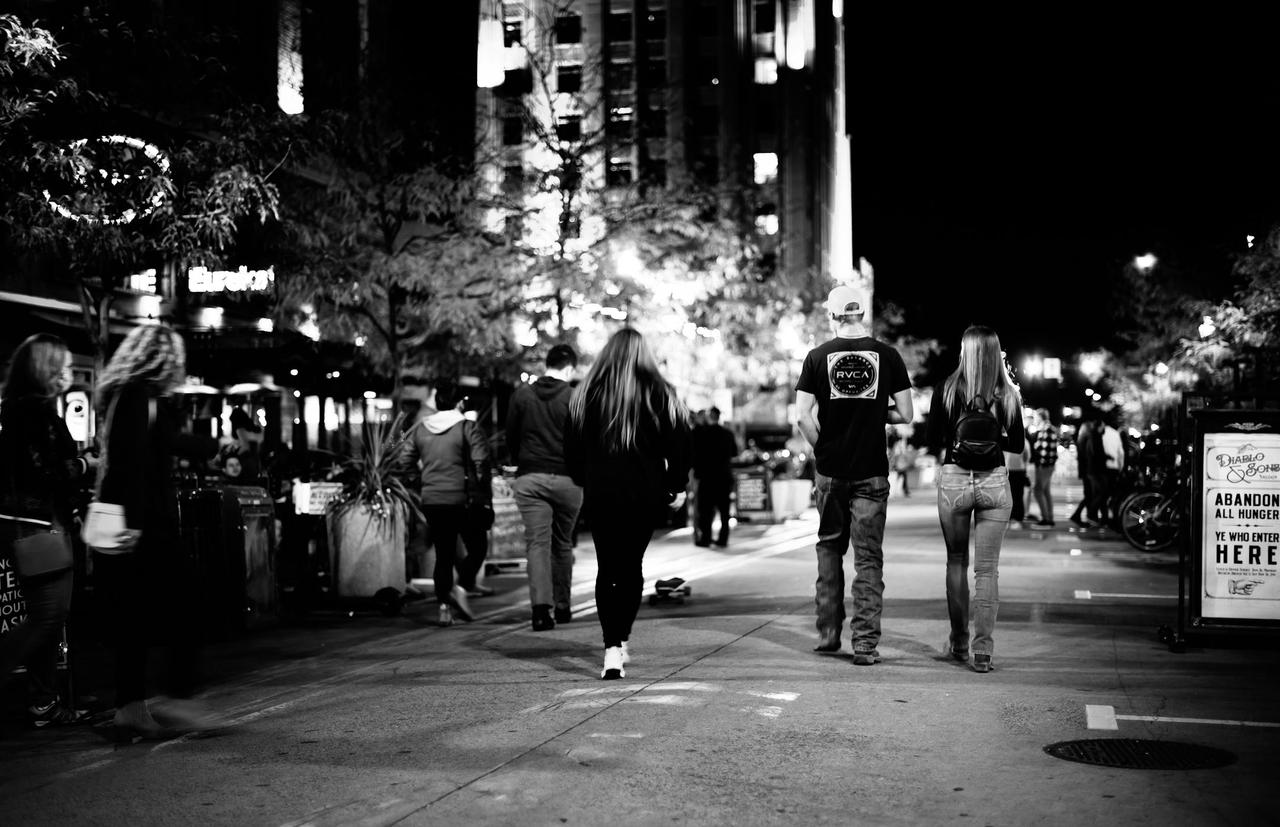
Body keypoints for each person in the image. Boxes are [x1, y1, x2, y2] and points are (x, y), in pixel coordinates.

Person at [93, 322, 219, 739]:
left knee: (135, 618)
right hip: (144, 528)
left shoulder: (133, 396)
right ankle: (175, 699)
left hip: (139, 526)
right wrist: (134, 526)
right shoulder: (135, 397)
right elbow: (129, 466)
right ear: (163, 359)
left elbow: (162, 443)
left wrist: (209, 446)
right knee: (188, 605)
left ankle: (131, 708)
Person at [795, 285, 913, 664]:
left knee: (830, 547)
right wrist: (876, 412)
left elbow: (802, 416)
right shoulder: (888, 356)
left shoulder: (817, 357)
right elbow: (906, 413)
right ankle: (864, 644)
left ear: (832, 315)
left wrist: (823, 448)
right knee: (868, 558)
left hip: (831, 470)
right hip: (871, 470)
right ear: (863, 314)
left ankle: (829, 632)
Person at [565, 329, 691, 680]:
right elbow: (680, 444)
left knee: (607, 568)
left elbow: (571, 449)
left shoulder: (584, 394)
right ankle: (621, 639)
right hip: (644, 493)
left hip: (601, 492)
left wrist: (585, 478)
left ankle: (610, 648)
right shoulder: (661, 392)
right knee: (632, 566)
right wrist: (676, 485)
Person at [0, 334, 89, 728]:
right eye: (64, 366)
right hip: (38, 525)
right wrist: (84, 465)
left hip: (36, 523)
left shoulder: (21, 409)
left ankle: (44, 701)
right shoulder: (32, 413)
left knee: (51, 617)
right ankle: (42, 699)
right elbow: (42, 472)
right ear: (45, 369)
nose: (69, 372)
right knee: (48, 616)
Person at [925, 325, 1025, 674]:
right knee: (987, 569)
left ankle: (958, 642)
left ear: (964, 351)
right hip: (993, 481)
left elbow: (931, 438)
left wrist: (959, 437)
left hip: (954, 479)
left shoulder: (947, 389)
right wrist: (991, 438)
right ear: (996, 352)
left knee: (956, 561)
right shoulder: (1007, 393)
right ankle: (982, 651)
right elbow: (1017, 445)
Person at [506, 344, 583, 631]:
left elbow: (511, 436)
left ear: (547, 364)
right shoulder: (575, 398)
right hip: (567, 480)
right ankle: (562, 606)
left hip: (531, 479)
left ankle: (540, 610)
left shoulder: (522, 395)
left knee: (537, 544)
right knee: (562, 542)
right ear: (569, 368)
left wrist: (522, 462)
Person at [405, 381, 491, 626]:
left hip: (432, 499)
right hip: (463, 500)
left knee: (443, 555)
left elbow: (404, 460)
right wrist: (483, 494)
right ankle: (462, 586)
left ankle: (444, 608)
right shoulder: (467, 428)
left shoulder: (420, 428)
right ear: (459, 403)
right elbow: (481, 462)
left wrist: (421, 481)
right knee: (478, 547)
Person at [691, 406, 737, 547]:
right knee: (724, 511)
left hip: (706, 478)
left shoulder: (702, 434)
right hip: (724, 477)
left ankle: (706, 538)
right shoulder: (728, 434)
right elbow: (734, 452)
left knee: (705, 510)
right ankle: (723, 539)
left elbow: (694, 452)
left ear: (709, 416)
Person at [1027, 408, 1059, 527]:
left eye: (1036, 417)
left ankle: (1046, 518)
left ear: (1040, 417)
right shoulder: (1048, 428)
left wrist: (1040, 463)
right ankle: (1049, 517)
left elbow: (1044, 451)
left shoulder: (1046, 429)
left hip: (1044, 465)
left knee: (1038, 491)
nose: (1035, 419)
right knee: (1046, 491)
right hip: (1048, 465)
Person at [212, 407, 263, 481]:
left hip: (248, 463)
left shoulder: (240, 430)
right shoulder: (256, 430)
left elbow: (245, 447)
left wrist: (232, 455)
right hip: (256, 461)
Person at [1069, 414, 1099, 527]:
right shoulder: (1087, 439)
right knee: (1089, 494)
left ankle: (1087, 516)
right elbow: (1089, 456)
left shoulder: (1081, 438)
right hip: (1088, 471)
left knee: (1088, 494)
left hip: (1084, 470)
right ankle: (1080, 515)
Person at [1005, 430, 1031, 526]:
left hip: (1012, 470)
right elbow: (1027, 457)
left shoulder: (1007, 440)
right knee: (1018, 494)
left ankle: (1014, 515)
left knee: (1013, 494)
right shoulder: (1024, 441)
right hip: (1019, 469)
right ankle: (1017, 515)